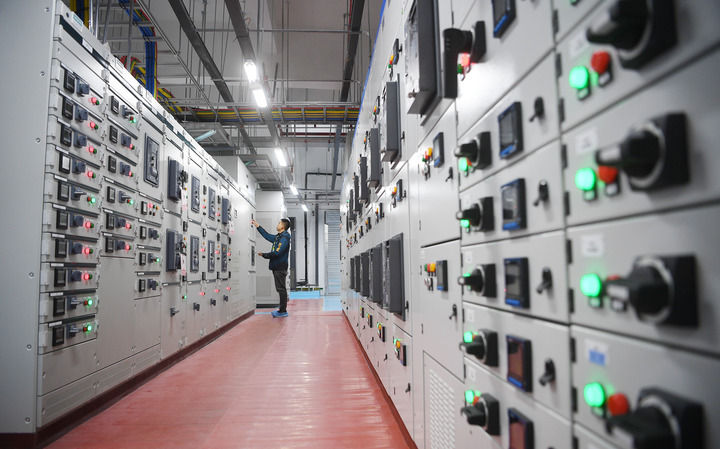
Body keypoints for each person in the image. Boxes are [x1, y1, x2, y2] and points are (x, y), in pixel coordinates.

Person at [252, 218, 292, 317]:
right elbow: (267, 236)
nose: (277, 224)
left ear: (283, 226)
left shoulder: (284, 238)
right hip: (277, 266)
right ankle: (282, 310)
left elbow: (277, 253)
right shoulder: (279, 237)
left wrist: (264, 255)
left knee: (281, 289)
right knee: (280, 289)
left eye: (279, 223)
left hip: (280, 267)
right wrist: (258, 226)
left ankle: (283, 311)